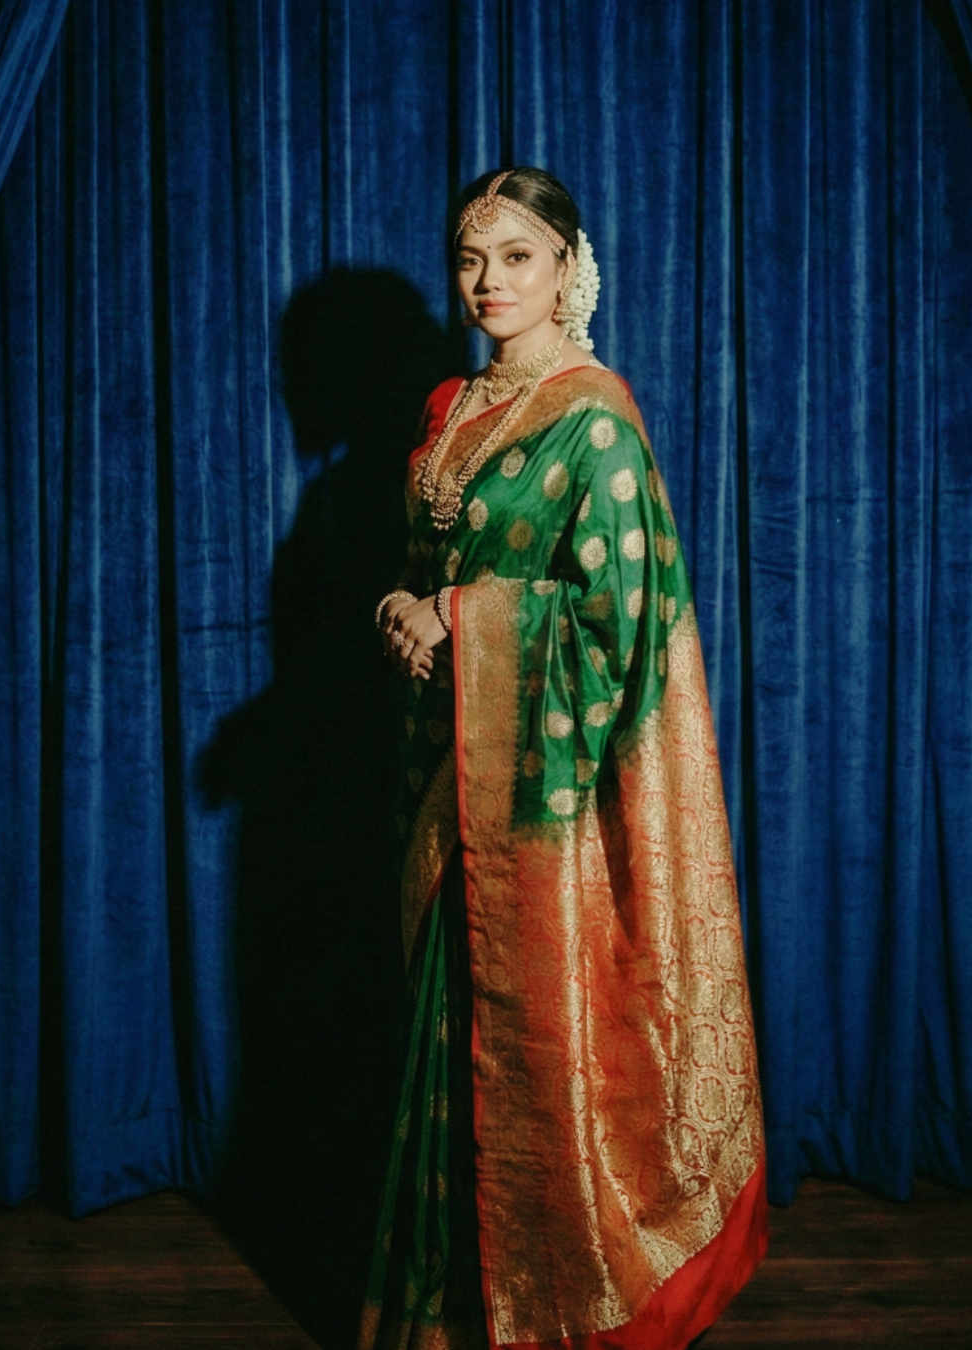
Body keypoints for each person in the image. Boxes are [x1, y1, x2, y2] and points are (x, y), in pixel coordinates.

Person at [360, 167, 767, 1350]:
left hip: (549, 810)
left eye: (519, 257)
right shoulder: (452, 409)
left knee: (539, 1056)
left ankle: (549, 1307)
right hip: (452, 786)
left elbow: (623, 623)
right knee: (444, 1043)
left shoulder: (596, 422)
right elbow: (419, 560)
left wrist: (466, 624)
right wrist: (400, 602)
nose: (490, 283)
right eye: (472, 258)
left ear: (569, 269)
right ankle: (452, 1306)